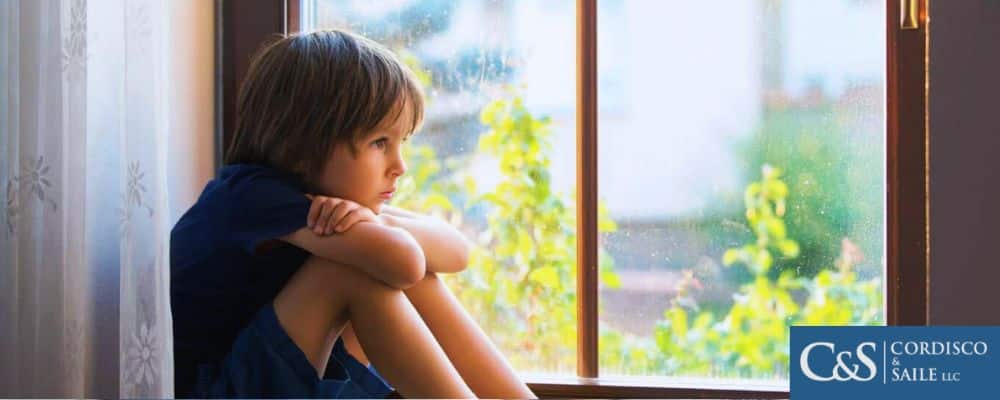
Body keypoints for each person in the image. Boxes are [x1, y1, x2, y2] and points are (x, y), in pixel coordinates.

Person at [170, 29, 536, 399]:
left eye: (401, 142)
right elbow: (405, 262)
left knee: (389, 263)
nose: (399, 166)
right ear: (300, 147)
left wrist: (377, 222)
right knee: (355, 270)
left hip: (269, 380)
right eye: (380, 143)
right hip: (216, 391)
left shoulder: (330, 204)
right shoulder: (250, 196)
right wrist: (376, 228)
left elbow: (457, 252)